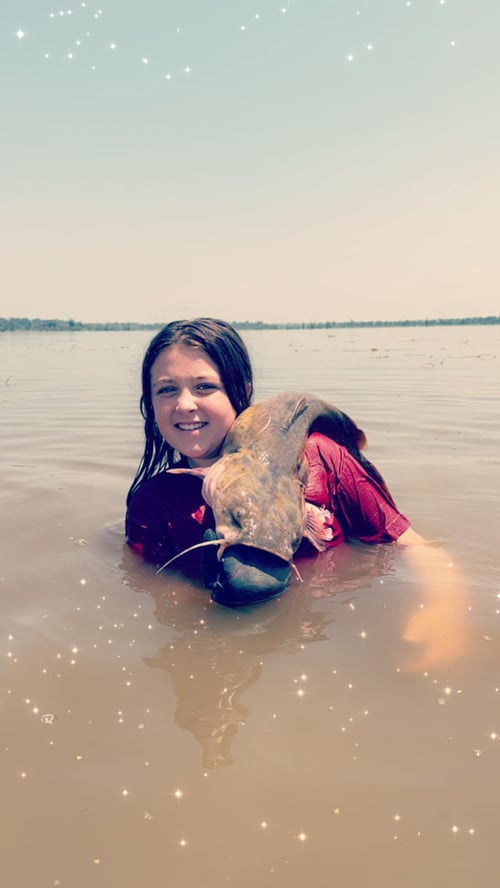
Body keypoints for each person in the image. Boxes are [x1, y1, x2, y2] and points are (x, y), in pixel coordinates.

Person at [126, 318, 468, 670]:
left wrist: (445, 610)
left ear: (240, 390)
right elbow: (157, 594)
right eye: (166, 389)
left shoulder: (324, 459)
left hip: (336, 648)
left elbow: (417, 549)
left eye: (204, 386)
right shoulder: (152, 504)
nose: (184, 404)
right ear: (150, 404)